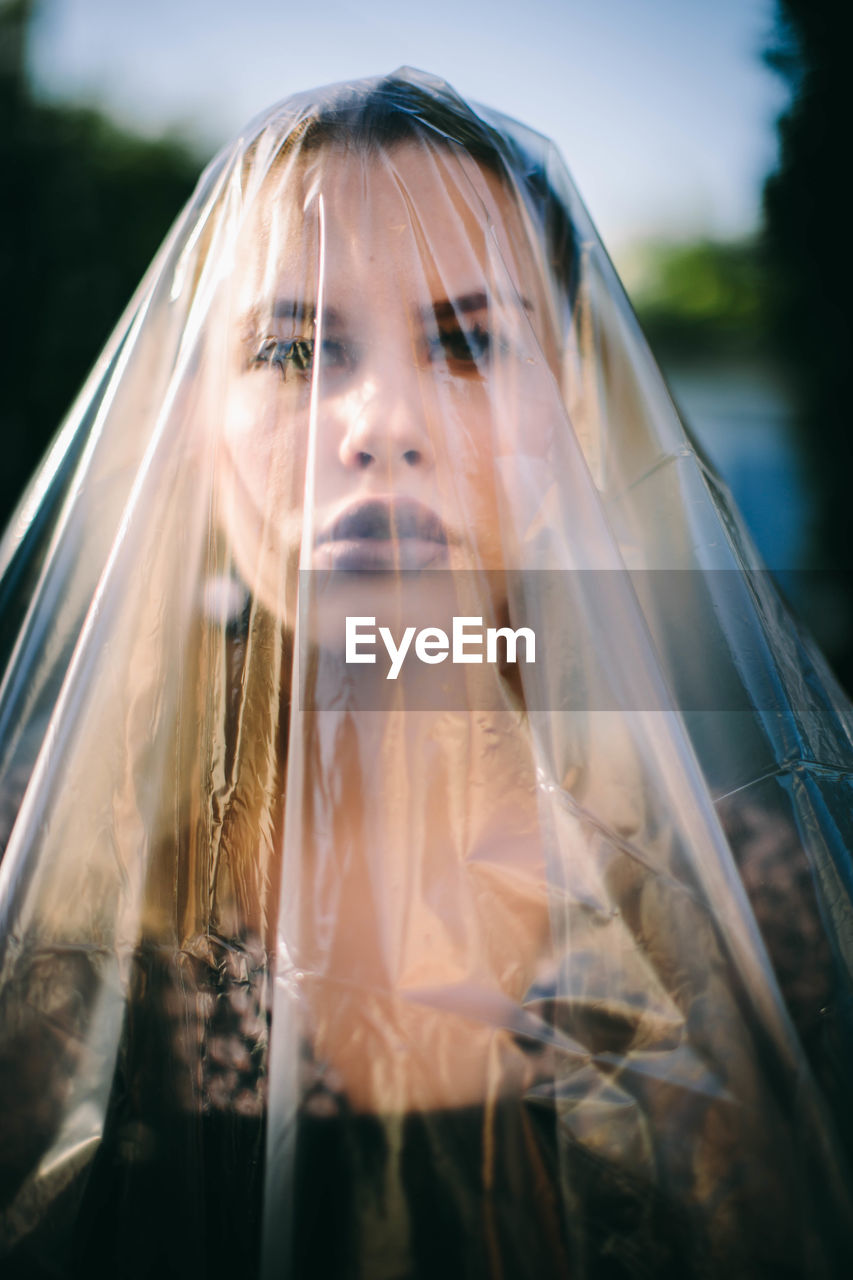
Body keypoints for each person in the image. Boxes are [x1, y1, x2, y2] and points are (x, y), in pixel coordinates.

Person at [0, 69, 851, 1279]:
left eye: (467, 341)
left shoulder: (744, 889)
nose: (382, 418)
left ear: (572, 415)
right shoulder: (43, 859)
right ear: (192, 424)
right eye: (293, 345)